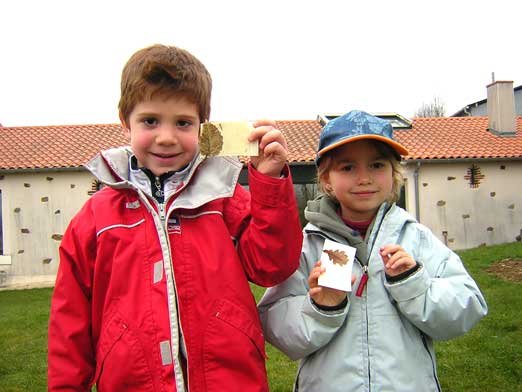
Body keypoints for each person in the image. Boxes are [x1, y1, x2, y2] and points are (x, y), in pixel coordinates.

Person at [47, 44, 303, 391]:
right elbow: (69, 325)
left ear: (202, 127)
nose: (166, 138)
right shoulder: (95, 218)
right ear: (126, 122)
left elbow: (272, 266)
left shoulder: (223, 199)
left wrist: (270, 181)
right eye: (150, 121)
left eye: (183, 123)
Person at [258, 110, 488, 392]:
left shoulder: (413, 237)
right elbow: (273, 321)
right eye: (348, 168)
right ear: (326, 179)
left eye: (377, 165)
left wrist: (415, 286)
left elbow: (468, 305)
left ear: (394, 174)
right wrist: (321, 307)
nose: (364, 178)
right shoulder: (309, 245)